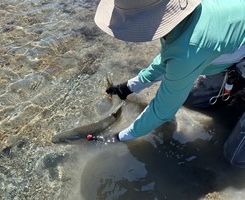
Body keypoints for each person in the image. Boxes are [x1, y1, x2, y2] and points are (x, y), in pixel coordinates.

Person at [94, 0, 245, 165]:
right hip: (232, 51)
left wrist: (121, 136)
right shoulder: (191, 15)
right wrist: (129, 86)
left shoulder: (189, 50)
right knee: (194, 100)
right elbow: (170, 56)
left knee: (234, 156)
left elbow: (163, 109)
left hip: (226, 54)